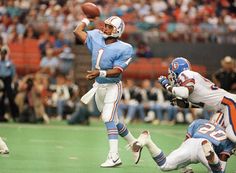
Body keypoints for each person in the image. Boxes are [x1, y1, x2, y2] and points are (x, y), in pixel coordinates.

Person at [73, 16, 140, 167]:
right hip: (99, 87)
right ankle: (134, 143)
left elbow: (117, 71)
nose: (105, 29)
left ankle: (114, 157)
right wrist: (86, 18)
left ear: (117, 31)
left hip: (113, 87)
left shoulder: (125, 48)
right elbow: (77, 31)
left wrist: (100, 73)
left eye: (109, 27)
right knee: (114, 122)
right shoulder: (96, 36)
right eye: (105, 26)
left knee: (108, 119)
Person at [158, 57, 236, 143]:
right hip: (222, 108)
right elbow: (205, 104)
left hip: (228, 103)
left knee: (231, 134)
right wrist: (187, 105)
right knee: (213, 138)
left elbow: (185, 92)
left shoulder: (185, 74)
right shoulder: (189, 79)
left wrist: (167, 86)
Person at [133, 119, 236, 173]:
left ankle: (147, 140)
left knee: (164, 166)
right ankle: (209, 151)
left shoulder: (200, 122)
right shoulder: (231, 137)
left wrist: (184, 166)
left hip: (191, 143)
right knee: (218, 171)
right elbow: (223, 157)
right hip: (204, 145)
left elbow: (185, 142)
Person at [0, 46, 19, 122]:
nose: (2, 55)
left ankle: (15, 116)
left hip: (8, 80)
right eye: (1, 53)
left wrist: (13, 83)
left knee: (11, 98)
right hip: (0, 81)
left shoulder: (10, 63)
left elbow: (14, 74)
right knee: (1, 98)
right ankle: (1, 116)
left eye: (4, 53)